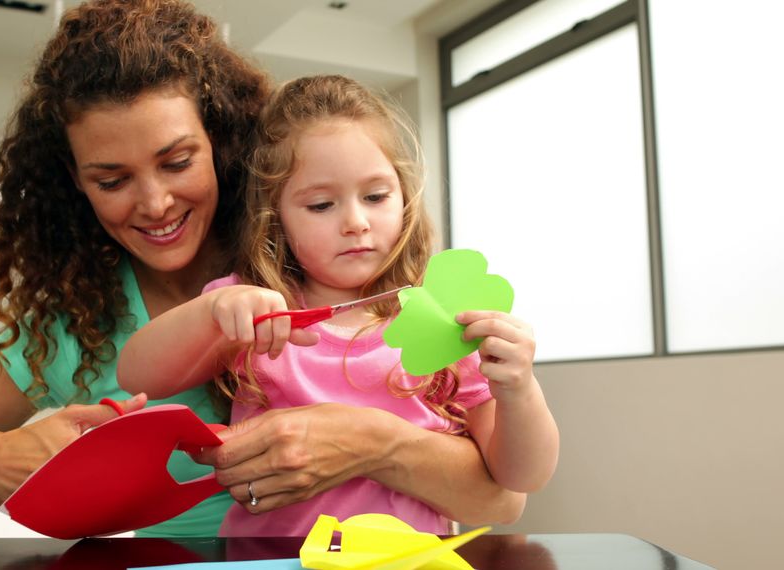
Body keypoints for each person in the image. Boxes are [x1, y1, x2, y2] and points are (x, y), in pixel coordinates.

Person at [0, 0, 524, 539]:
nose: (154, 203)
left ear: (224, 143)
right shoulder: (72, 327)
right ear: (73, 186)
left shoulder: (319, 264)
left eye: (177, 161)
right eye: (111, 179)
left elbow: (502, 498)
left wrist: (371, 442)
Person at [119, 75, 558, 536]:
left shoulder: (443, 319)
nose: (356, 222)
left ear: (405, 196)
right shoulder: (259, 310)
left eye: (375, 196)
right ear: (276, 216)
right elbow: (138, 375)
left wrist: (519, 390)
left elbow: (523, 479)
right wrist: (211, 312)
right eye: (322, 204)